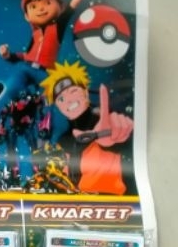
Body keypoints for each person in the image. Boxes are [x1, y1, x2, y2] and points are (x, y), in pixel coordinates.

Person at [40, 62, 134, 194]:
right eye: (61, 99)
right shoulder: (63, 141)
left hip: (112, 199)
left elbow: (127, 144)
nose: (68, 100)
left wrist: (117, 136)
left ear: (85, 92)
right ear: (58, 107)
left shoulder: (106, 123)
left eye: (73, 91)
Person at [0, 0, 98, 92]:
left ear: (60, 7)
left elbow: (72, 6)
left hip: (45, 73)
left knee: (51, 95)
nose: (41, 9)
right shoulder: (35, 33)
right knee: (14, 85)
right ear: (27, 16)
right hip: (28, 68)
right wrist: (8, 55)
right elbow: (26, 55)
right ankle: (19, 101)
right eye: (33, 7)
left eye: (48, 3)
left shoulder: (57, 27)